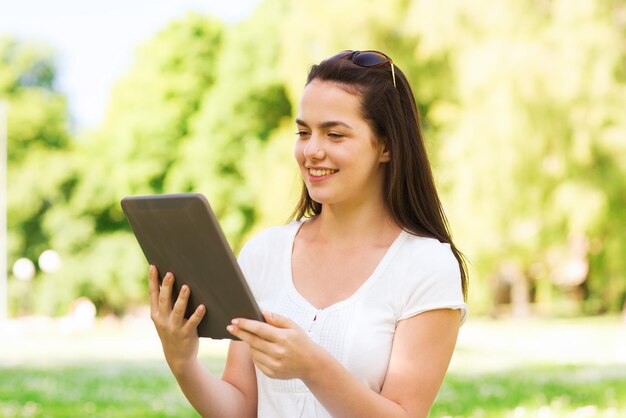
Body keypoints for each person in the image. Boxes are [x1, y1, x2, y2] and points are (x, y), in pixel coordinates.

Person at [148, 49, 469, 418]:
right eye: (304, 132)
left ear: (386, 146)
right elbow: (240, 408)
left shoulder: (425, 265)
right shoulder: (264, 253)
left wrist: (312, 366)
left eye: (335, 134)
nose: (312, 151)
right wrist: (182, 360)